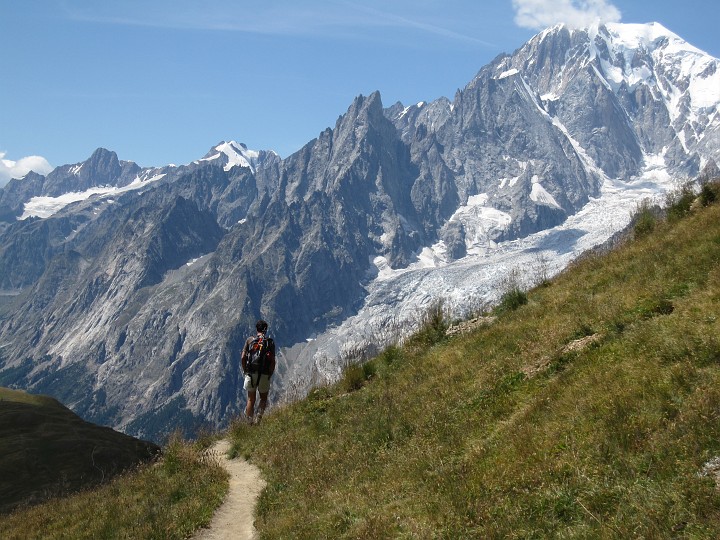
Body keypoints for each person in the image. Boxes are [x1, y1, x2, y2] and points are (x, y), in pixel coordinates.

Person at [241, 319, 276, 423]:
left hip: (251, 372)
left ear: (257, 329)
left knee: (251, 399)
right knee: (263, 398)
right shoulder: (270, 342)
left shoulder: (250, 340)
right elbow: (273, 360)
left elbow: (243, 357)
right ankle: (258, 420)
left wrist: (245, 369)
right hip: (265, 373)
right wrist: (270, 373)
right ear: (266, 329)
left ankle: (249, 423)